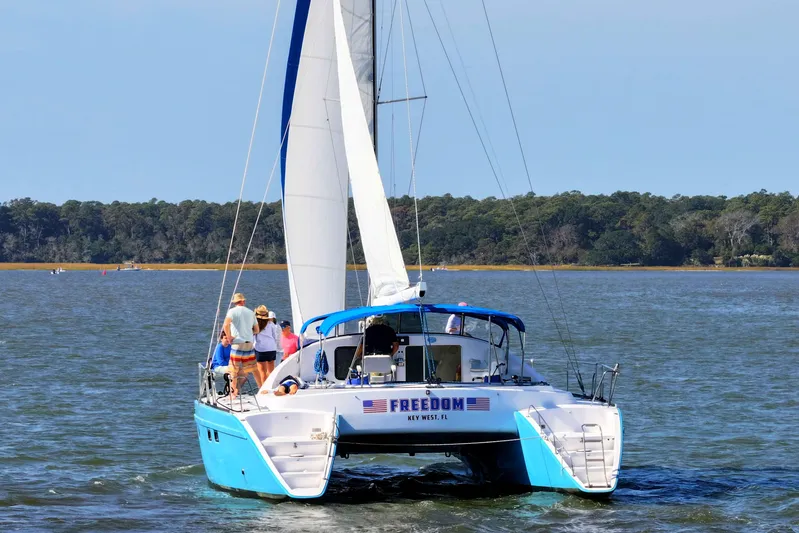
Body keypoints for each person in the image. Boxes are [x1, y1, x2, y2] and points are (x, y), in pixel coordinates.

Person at [223, 292, 260, 400]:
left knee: (233, 369)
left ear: (235, 302)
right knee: (249, 369)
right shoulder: (250, 312)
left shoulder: (232, 311)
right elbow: (257, 330)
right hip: (249, 343)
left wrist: (229, 336)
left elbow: (226, 324)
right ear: (243, 301)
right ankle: (256, 388)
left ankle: (233, 394)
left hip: (237, 343)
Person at [253, 306, 281, 386]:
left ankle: (263, 389)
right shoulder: (271, 324)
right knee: (271, 371)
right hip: (271, 348)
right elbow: (275, 336)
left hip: (260, 349)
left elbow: (253, 337)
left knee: (262, 372)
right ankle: (270, 386)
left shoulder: (255, 325)